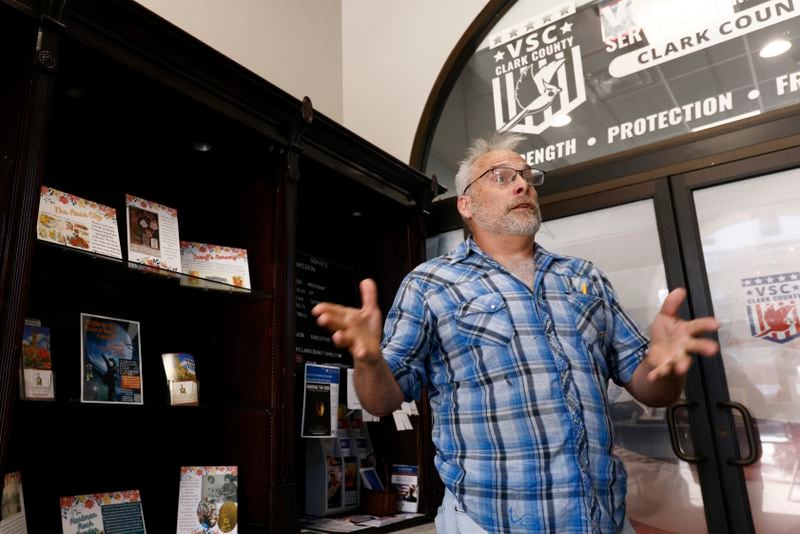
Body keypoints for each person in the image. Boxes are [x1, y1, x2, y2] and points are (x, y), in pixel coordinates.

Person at [312, 133, 720, 533]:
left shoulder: (584, 276)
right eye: (502, 177)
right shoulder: (431, 282)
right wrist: (367, 360)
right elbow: (380, 401)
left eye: (527, 175)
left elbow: (652, 390)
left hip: (604, 518)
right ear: (466, 204)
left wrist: (667, 365)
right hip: (489, 522)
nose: (523, 183)